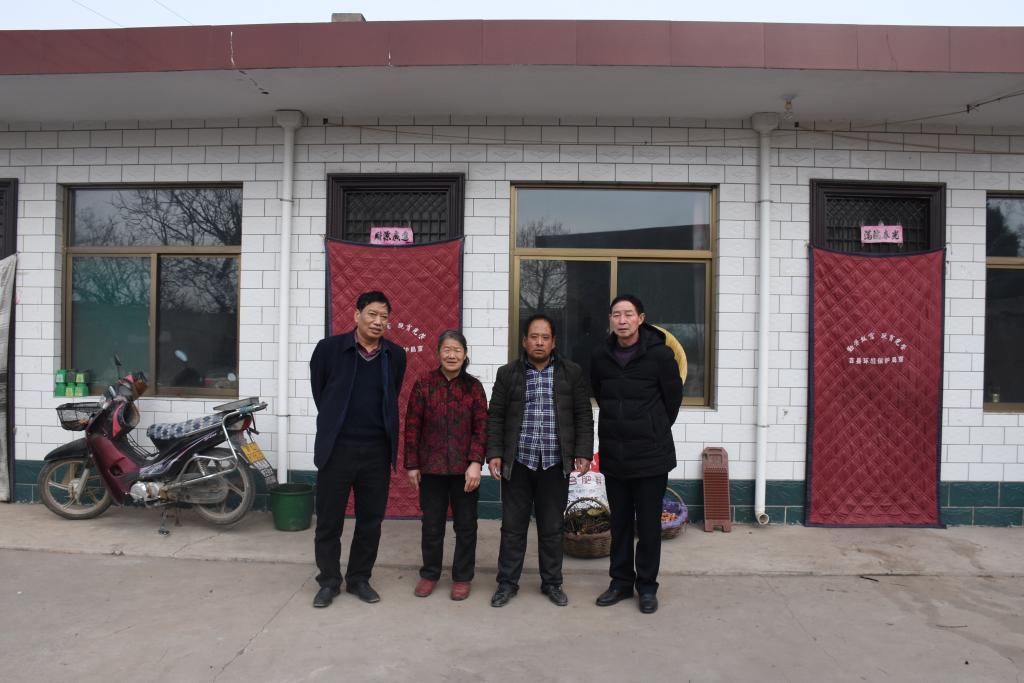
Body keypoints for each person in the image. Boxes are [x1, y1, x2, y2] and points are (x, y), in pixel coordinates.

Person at [486, 313, 593, 608]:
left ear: (554, 342)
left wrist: (583, 451)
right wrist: (494, 453)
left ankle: (552, 583)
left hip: (555, 463)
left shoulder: (571, 373)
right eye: (534, 337)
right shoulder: (508, 373)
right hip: (518, 462)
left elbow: (583, 415)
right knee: (512, 528)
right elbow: (495, 416)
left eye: (545, 337)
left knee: (552, 528)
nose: (539, 342)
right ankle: (507, 583)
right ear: (524, 341)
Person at [308, 290, 406, 608]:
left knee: (370, 521)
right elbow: (321, 392)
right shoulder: (329, 349)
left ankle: (359, 579)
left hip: (376, 451)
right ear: (356, 315)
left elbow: (392, 394)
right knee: (329, 521)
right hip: (337, 449)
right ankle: (328, 581)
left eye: (384, 317)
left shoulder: (395, 355)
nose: (378, 321)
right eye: (372, 314)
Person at [590, 295, 683, 615]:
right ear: (610, 320)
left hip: (651, 455)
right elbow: (600, 393)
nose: (622, 320)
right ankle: (619, 583)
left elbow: (672, 400)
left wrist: (652, 427)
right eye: (616, 314)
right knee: (619, 524)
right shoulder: (600, 356)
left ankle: (646, 587)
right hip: (615, 454)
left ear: (641, 319)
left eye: (628, 314)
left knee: (648, 526)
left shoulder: (660, 355)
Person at [403, 330, 488, 601]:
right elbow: (412, 426)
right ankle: (430, 574)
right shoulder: (424, 384)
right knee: (432, 525)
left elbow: (481, 428)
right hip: (432, 468)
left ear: (465, 354)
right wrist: (412, 464)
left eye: (457, 350)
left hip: (465, 471)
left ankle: (462, 577)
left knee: (466, 526)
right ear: (438, 353)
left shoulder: (474, 388)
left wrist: (475, 462)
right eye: (447, 350)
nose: (452, 355)